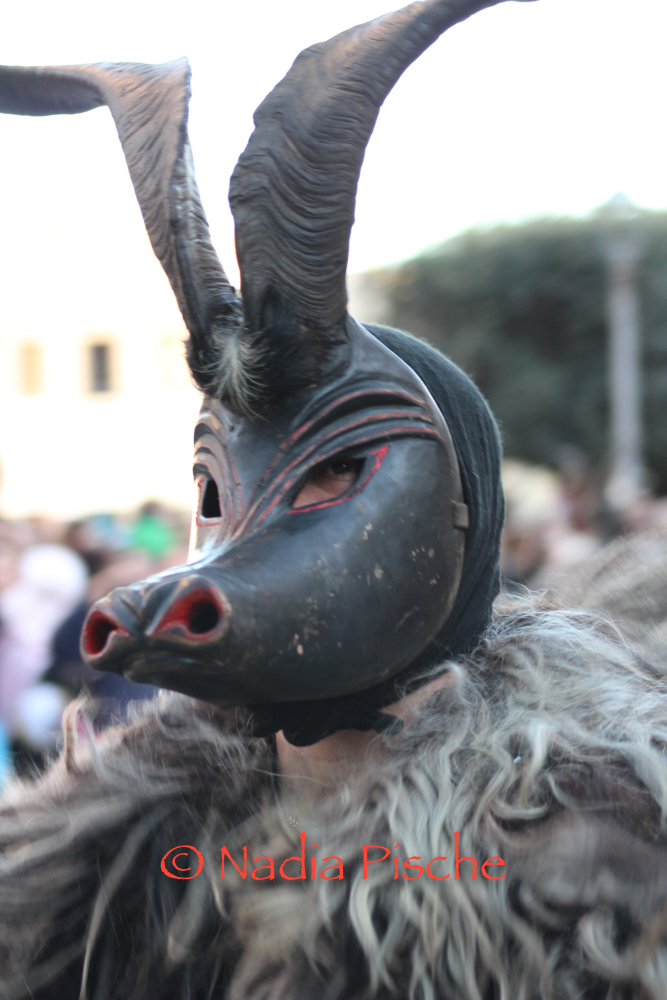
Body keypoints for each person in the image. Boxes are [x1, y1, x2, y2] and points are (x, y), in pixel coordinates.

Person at [2, 2, 667, 998]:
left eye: (336, 470)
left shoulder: (614, 870)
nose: (239, 542)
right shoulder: (94, 878)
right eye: (214, 489)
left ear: (462, 513)